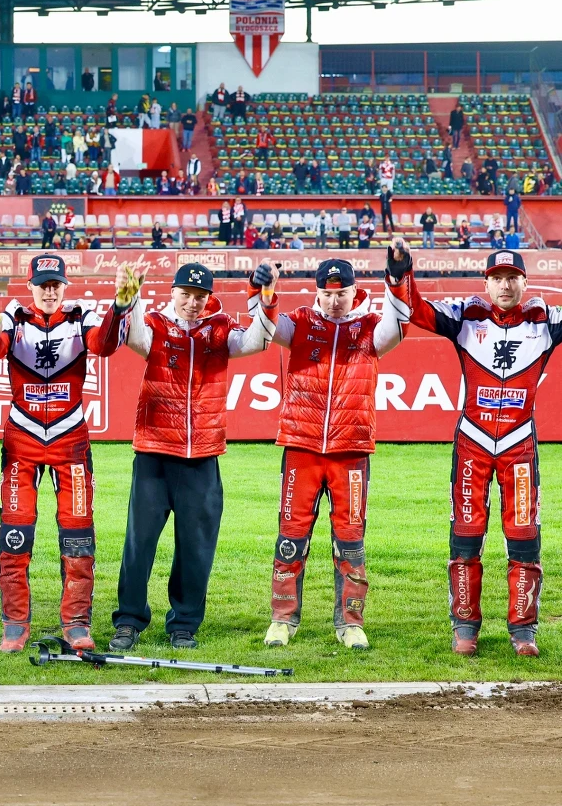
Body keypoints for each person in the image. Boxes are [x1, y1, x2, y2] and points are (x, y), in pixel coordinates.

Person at [386, 242, 554, 657]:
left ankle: (524, 631)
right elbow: (417, 309)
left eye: (512, 278)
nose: (505, 286)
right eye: (497, 279)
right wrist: (400, 267)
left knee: (524, 539)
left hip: (519, 447)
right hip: (472, 444)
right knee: (465, 537)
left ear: (524, 282)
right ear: (486, 282)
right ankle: (465, 626)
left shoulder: (546, 321)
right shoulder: (466, 315)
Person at [109, 261, 279, 651]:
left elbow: (257, 342)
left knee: (196, 546)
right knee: (140, 543)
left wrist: (266, 299)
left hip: (203, 455)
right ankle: (129, 620)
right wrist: (130, 295)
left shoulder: (219, 329)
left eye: (199, 297)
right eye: (185, 295)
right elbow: (133, 339)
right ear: (173, 292)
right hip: (154, 452)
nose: (191, 303)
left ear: (208, 298)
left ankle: (184, 622)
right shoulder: (153, 323)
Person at [0, 255, 133, 653]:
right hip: (21, 439)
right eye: (43, 284)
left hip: (71, 440)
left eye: (56, 284)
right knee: (15, 535)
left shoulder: (84, 317)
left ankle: (77, 622)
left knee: (78, 536)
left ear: (65, 286)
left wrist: (120, 306)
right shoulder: (13, 316)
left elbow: (105, 345)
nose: (49, 291)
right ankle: (14, 623)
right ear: (30, 286)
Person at [262, 258, 406, 651]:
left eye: (340, 294)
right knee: (290, 539)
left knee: (351, 541)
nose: (333, 302)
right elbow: (269, 326)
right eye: (326, 294)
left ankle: (351, 622)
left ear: (353, 291)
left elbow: (399, 328)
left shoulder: (372, 325)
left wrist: (397, 279)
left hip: (352, 450)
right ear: (317, 292)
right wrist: (266, 291)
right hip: (301, 447)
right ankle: (282, 619)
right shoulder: (302, 321)